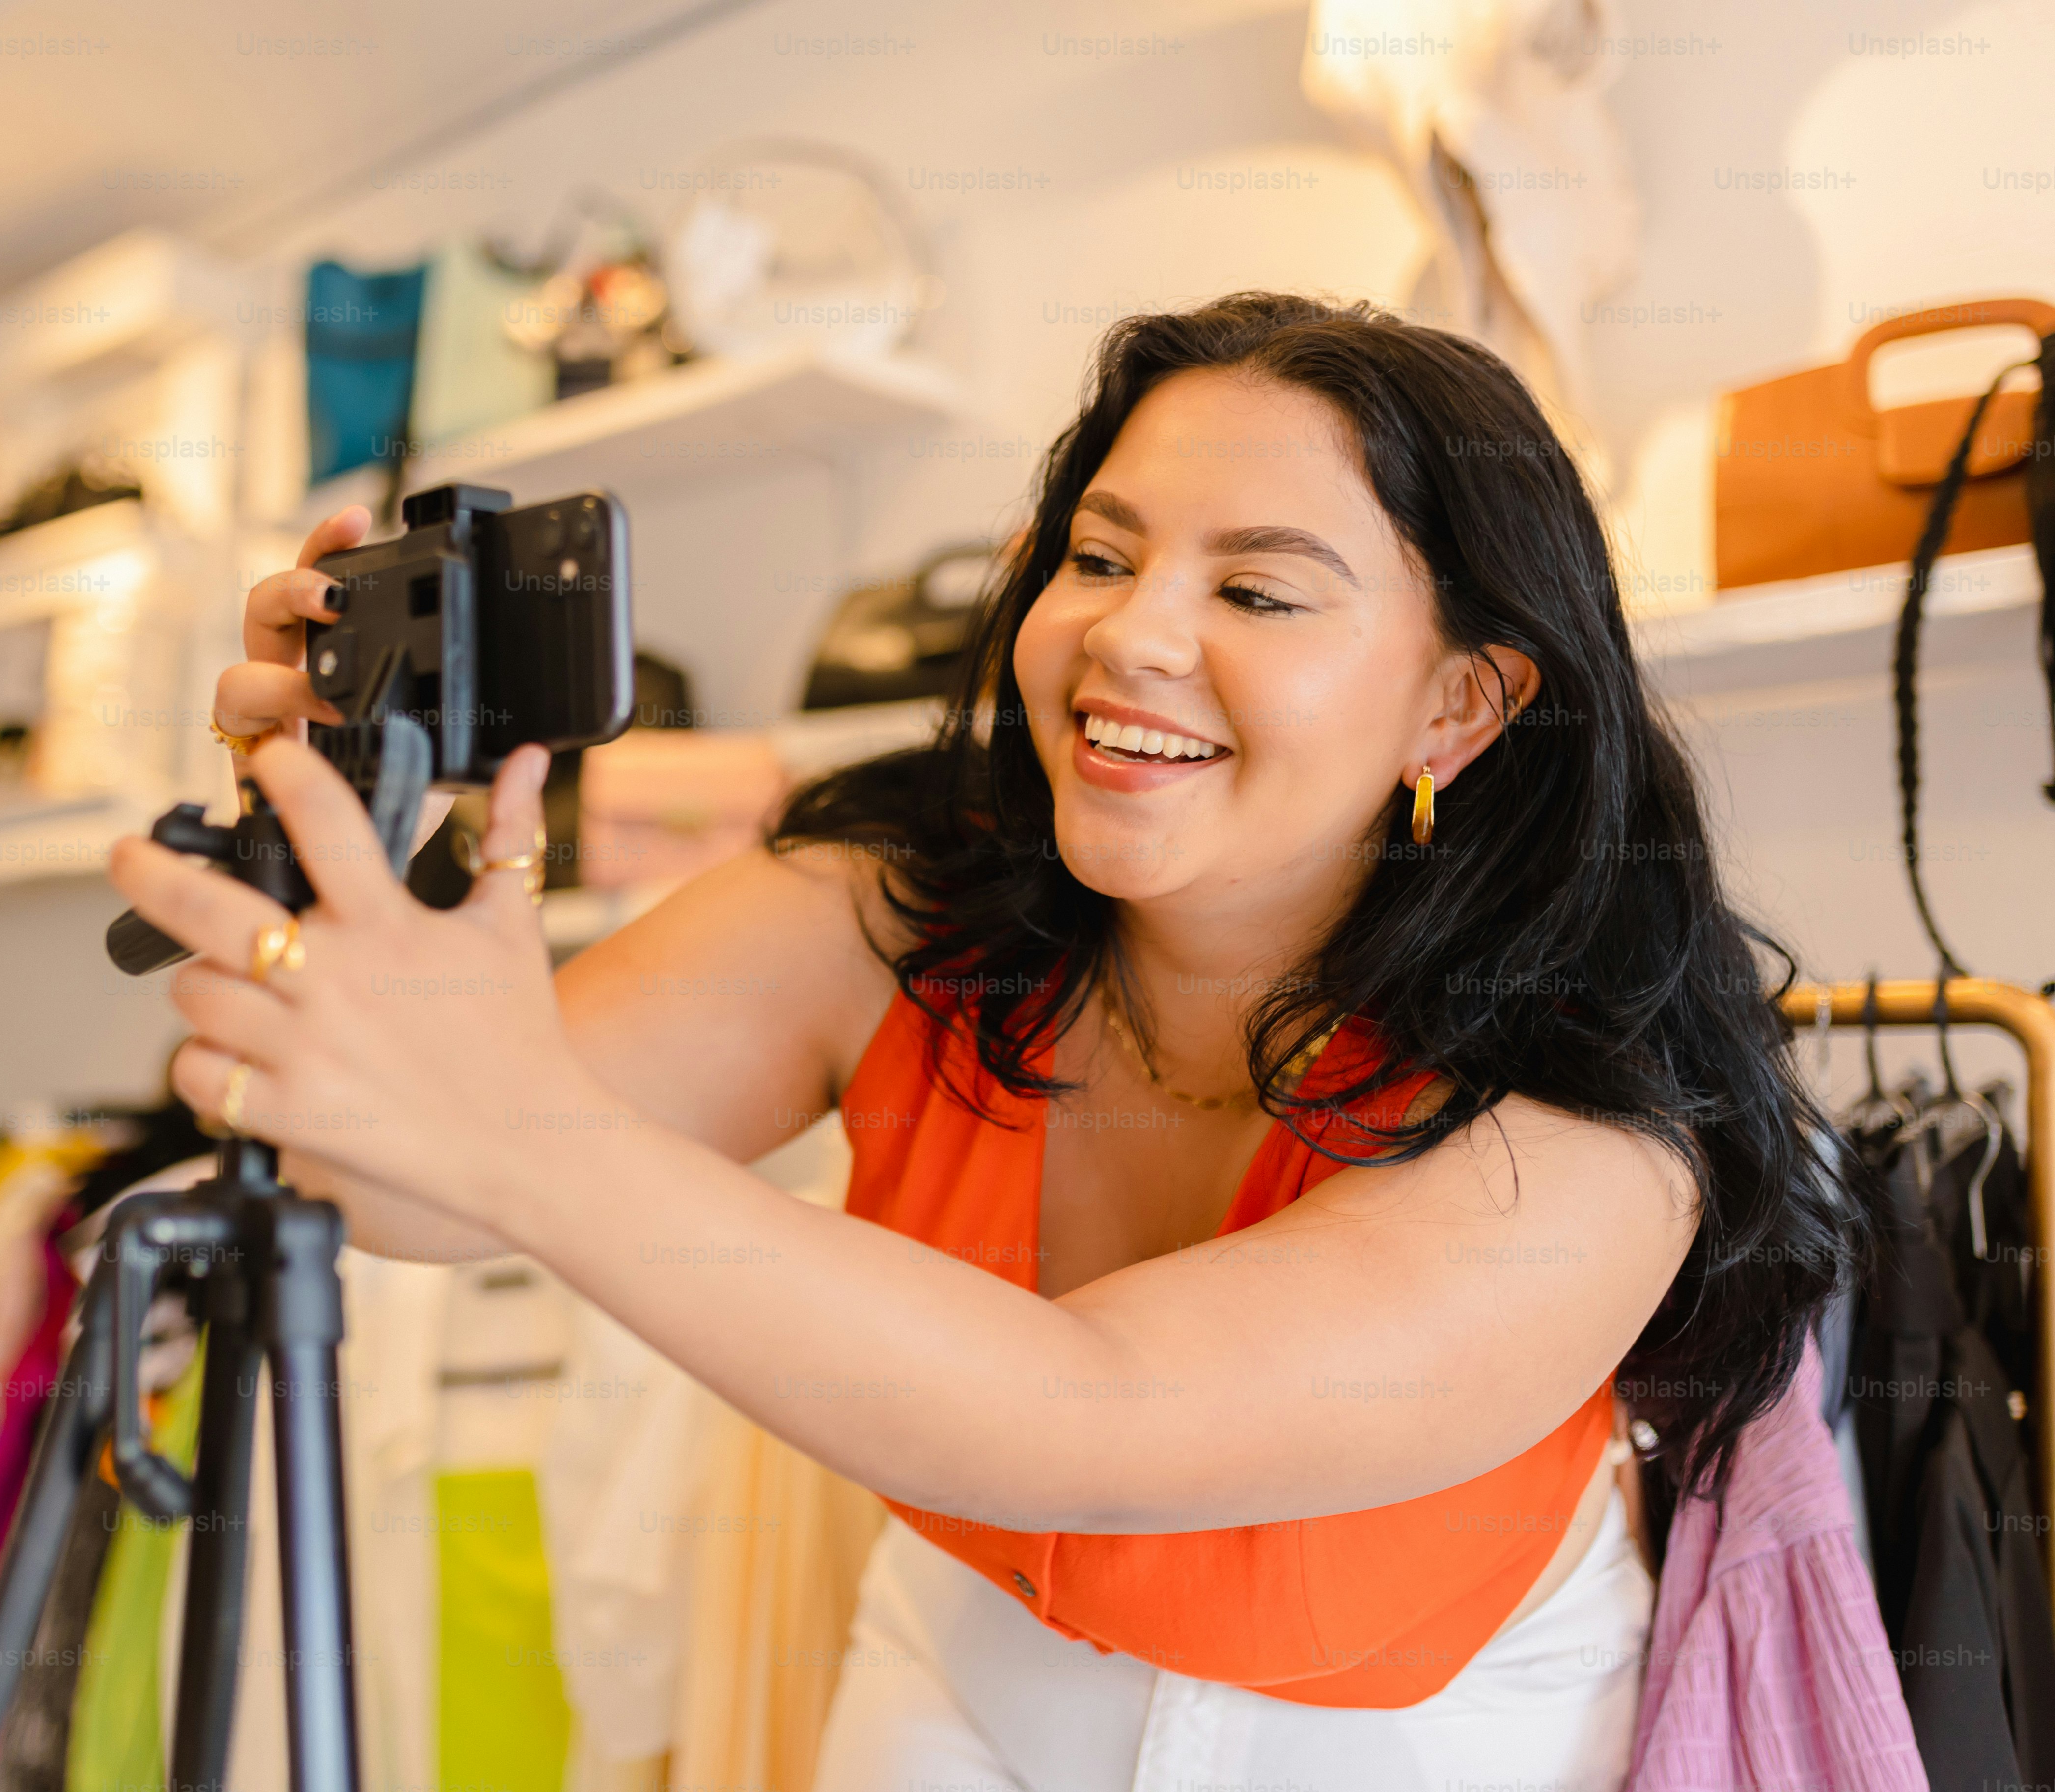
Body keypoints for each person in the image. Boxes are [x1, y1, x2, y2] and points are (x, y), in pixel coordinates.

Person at [108, 292, 1870, 1788]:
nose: (1131, 634)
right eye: (1100, 556)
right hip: (962, 1667)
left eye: (1258, 593)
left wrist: (524, 1139)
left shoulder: (1582, 1140)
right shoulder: (900, 907)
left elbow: (1086, 1416)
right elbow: (407, 1183)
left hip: (1411, 1735)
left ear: (1460, 703)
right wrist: (340, 837)